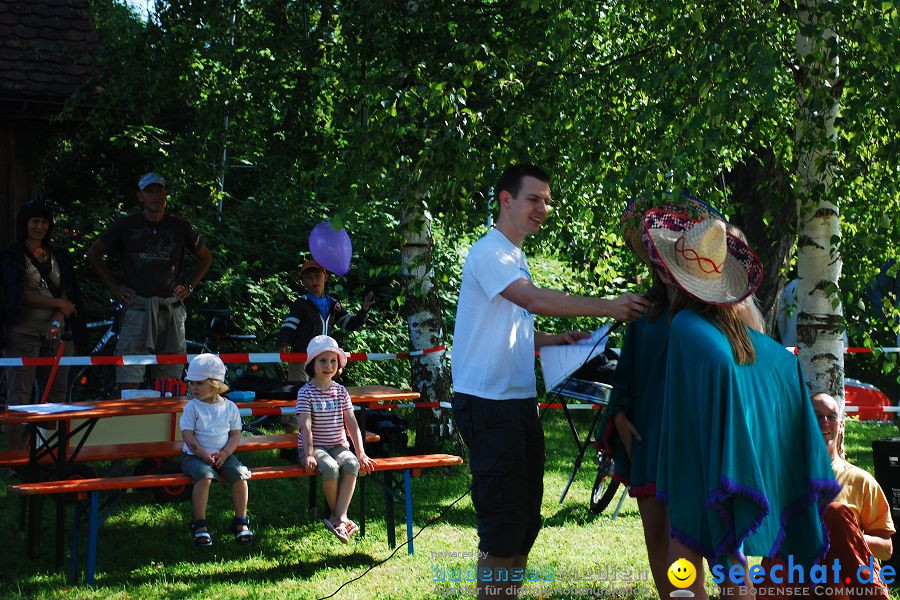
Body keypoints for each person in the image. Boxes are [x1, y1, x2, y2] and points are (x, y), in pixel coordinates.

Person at [450, 164, 649, 600]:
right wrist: (609, 307)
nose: (544, 208)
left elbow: (509, 325)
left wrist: (555, 340)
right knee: (504, 526)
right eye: (534, 199)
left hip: (518, 404)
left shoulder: (514, 256)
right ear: (506, 199)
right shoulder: (490, 253)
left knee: (525, 521)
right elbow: (534, 300)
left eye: (548, 200)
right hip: (487, 404)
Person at [642, 209, 839, 600]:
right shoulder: (738, 331)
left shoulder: (686, 328)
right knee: (731, 562)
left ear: (677, 276)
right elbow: (776, 374)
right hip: (731, 467)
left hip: (700, 468)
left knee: (687, 560)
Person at [599, 195, 725, 598]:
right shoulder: (644, 313)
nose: (667, 265)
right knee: (656, 534)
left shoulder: (718, 318)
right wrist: (619, 417)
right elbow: (626, 375)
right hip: (650, 438)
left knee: (694, 538)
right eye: (662, 257)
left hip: (697, 443)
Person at [758, 392, 894, 599]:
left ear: (841, 426)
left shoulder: (861, 481)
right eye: (816, 416)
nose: (824, 422)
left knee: (834, 513)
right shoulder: (781, 479)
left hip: (839, 582)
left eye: (831, 416)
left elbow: (886, 549)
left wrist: (840, 535)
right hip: (793, 577)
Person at [87, 172, 212, 389]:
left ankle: (165, 422)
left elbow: (206, 257)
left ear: (165, 195)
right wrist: (115, 288)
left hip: (170, 309)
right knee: (129, 378)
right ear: (140, 196)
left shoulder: (180, 226)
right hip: (138, 308)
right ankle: (128, 422)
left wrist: (190, 286)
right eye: (149, 191)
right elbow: (94, 253)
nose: (155, 196)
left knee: (170, 383)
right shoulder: (126, 225)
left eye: (159, 190)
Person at [1, 201, 84, 449]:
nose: (39, 227)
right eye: (35, 221)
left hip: (56, 331)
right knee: (19, 396)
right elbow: (16, 294)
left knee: (56, 394)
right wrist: (59, 302)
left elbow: (70, 295)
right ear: (25, 224)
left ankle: (49, 452)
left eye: (44, 222)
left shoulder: (59, 255)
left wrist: (57, 322)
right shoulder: (10, 256)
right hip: (21, 333)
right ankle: (15, 458)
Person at [275, 259, 373, 435]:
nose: (314, 280)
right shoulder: (301, 303)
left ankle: (320, 436)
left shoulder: (333, 303)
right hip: (301, 359)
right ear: (303, 281)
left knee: (322, 396)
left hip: (325, 360)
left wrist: (364, 310)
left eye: (317, 275)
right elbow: (289, 326)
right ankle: (289, 440)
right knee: (298, 395)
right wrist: (282, 343)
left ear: (325, 277)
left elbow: (349, 324)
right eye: (309, 277)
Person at [297, 335, 375, 543]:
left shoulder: (340, 391)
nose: (329, 366)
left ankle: (338, 517)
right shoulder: (306, 392)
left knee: (351, 463)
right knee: (330, 467)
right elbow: (305, 426)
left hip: (338, 445)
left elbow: (351, 423)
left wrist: (360, 452)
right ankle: (339, 517)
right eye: (322, 360)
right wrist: (309, 454)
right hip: (315, 448)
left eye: (333, 361)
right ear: (312, 364)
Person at [180, 353, 253, 547]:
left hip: (223, 455)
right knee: (204, 477)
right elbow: (188, 436)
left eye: (199, 383)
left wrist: (226, 453)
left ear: (215, 384)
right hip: (194, 456)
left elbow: (235, 435)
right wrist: (203, 454)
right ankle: (200, 524)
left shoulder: (229, 407)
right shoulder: (192, 408)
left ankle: (241, 521)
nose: (193, 388)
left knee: (240, 476)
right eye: (191, 383)